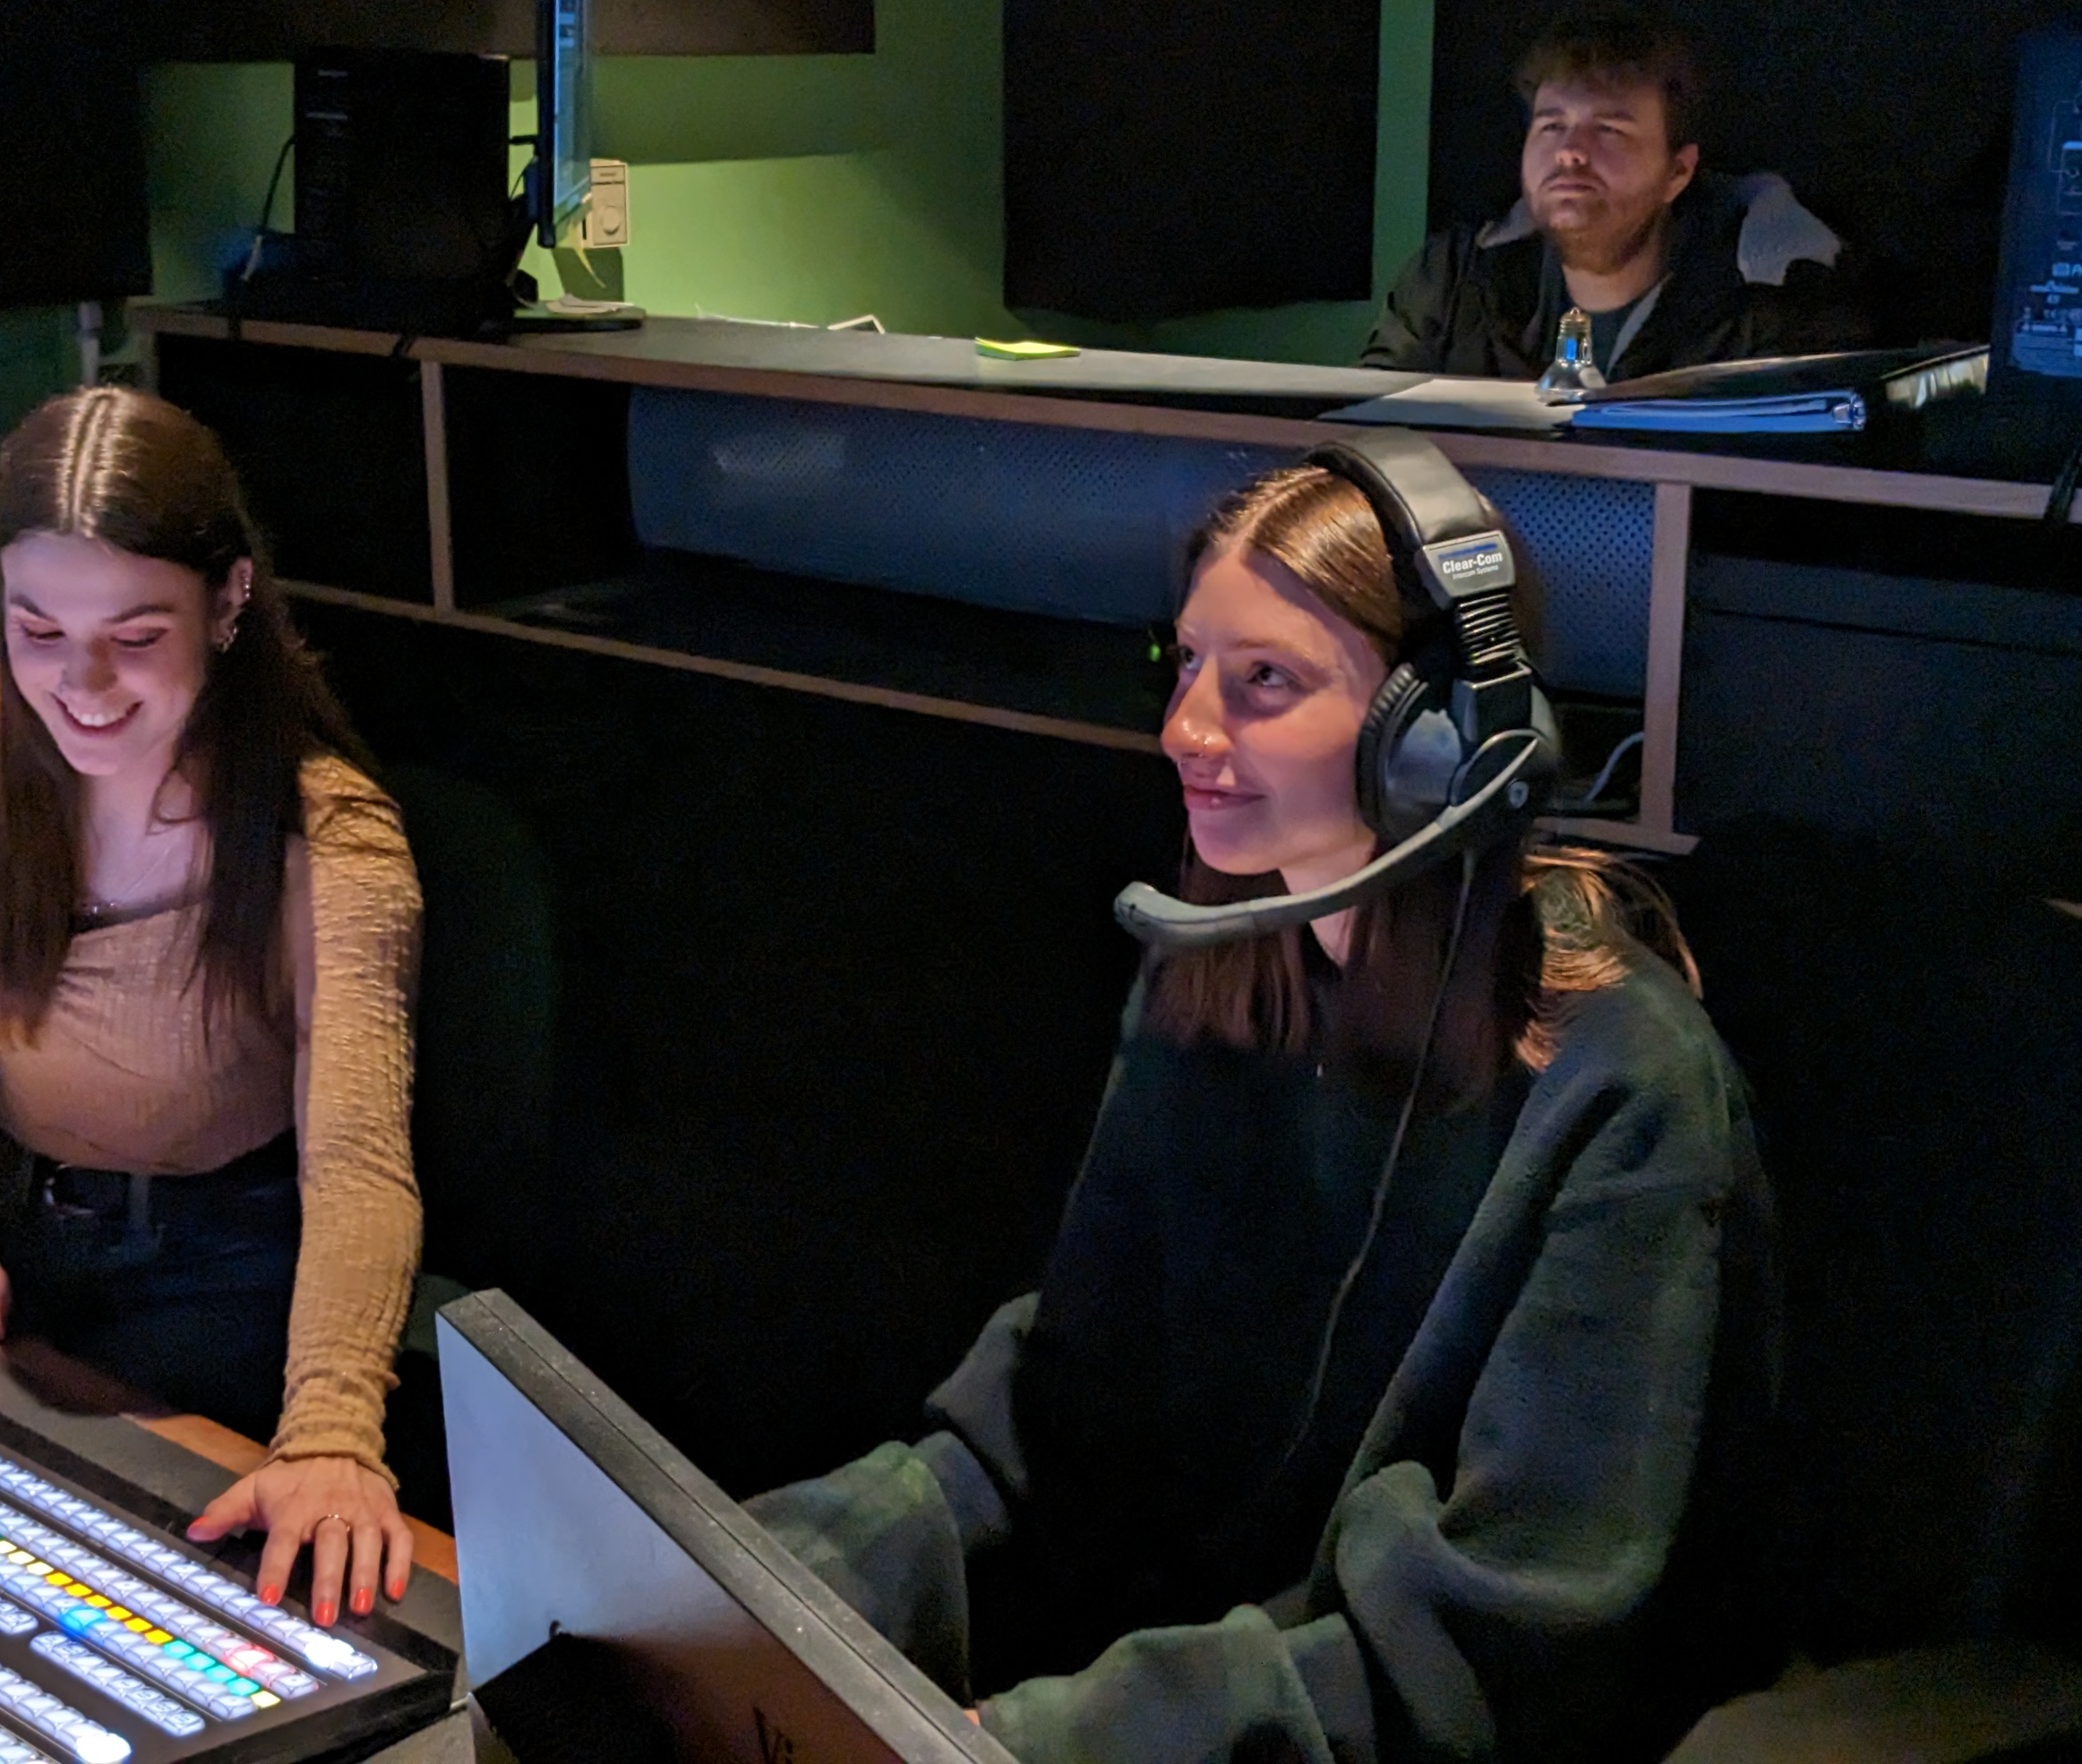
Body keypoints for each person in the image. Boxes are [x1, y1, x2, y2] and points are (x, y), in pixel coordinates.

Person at [745, 451, 1780, 1760]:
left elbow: (1499, 1648)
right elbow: (1067, 1414)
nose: (1185, 727)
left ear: (1441, 741)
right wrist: (758, 1585)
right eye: (1185, 666)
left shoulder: (1626, 1090)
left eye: (1264, 681)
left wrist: (1034, 1742)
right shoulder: (1220, 966)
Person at [0, 385, 424, 1626]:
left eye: (135, 634)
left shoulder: (331, 840)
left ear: (229, 602)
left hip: (228, 1275)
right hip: (12, 1236)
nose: (82, 684)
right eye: (36, 631)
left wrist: (329, 1430)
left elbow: (360, 1166)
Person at [1364, 14, 1867, 381]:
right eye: (1552, 126)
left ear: (1678, 172)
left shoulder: (1775, 304)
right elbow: (1363, 445)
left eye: (1607, 130)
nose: (1569, 155)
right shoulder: (1453, 282)